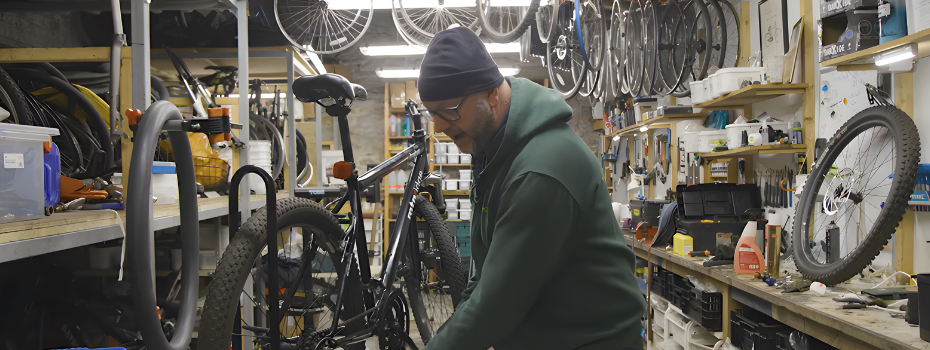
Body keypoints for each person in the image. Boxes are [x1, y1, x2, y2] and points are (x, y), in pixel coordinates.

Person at [417, 27, 646, 350]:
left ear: (492, 95)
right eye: (432, 113)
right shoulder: (491, 150)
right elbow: (484, 278)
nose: (439, 126)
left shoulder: (541, 170)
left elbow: (494, 307)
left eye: (449, 110)